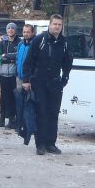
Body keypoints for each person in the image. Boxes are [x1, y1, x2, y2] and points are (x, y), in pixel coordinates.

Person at [22, 14, 72, 155]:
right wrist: (26, 80)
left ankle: (51, 143)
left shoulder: (64, 42)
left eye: (59, 25)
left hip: (56, 83)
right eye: (55, 24)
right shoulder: (40, 40)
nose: (57, 27)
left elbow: (68, 62)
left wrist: (65, 78)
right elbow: (28, 61)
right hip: (39, 82)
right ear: (49, 25)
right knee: (41, 113)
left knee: (53, 114)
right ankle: (40, 144)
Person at [15, 23, 36, 145]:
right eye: (24, 32)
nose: (25, 34)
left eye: (28, 32)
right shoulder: (21, 44)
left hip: (29, 80)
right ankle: (20, 126)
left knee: (29, 107)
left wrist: (29, 79)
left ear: (32, 33)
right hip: (19, 78)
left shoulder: (34, 45)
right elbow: (18, 59)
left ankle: (30, 129)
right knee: (19, 105)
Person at [0, 22, 20, 129]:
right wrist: (7, 58)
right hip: (3, 74)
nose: (10, 30)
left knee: (15, 97)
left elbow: (18, 55)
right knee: (5, 97)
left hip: (14, 74)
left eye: (12, 28)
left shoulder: (19, 42)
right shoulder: (3, 42)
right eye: (8, 28)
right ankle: (8, 119)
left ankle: (16, 119)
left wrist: (6, 56)